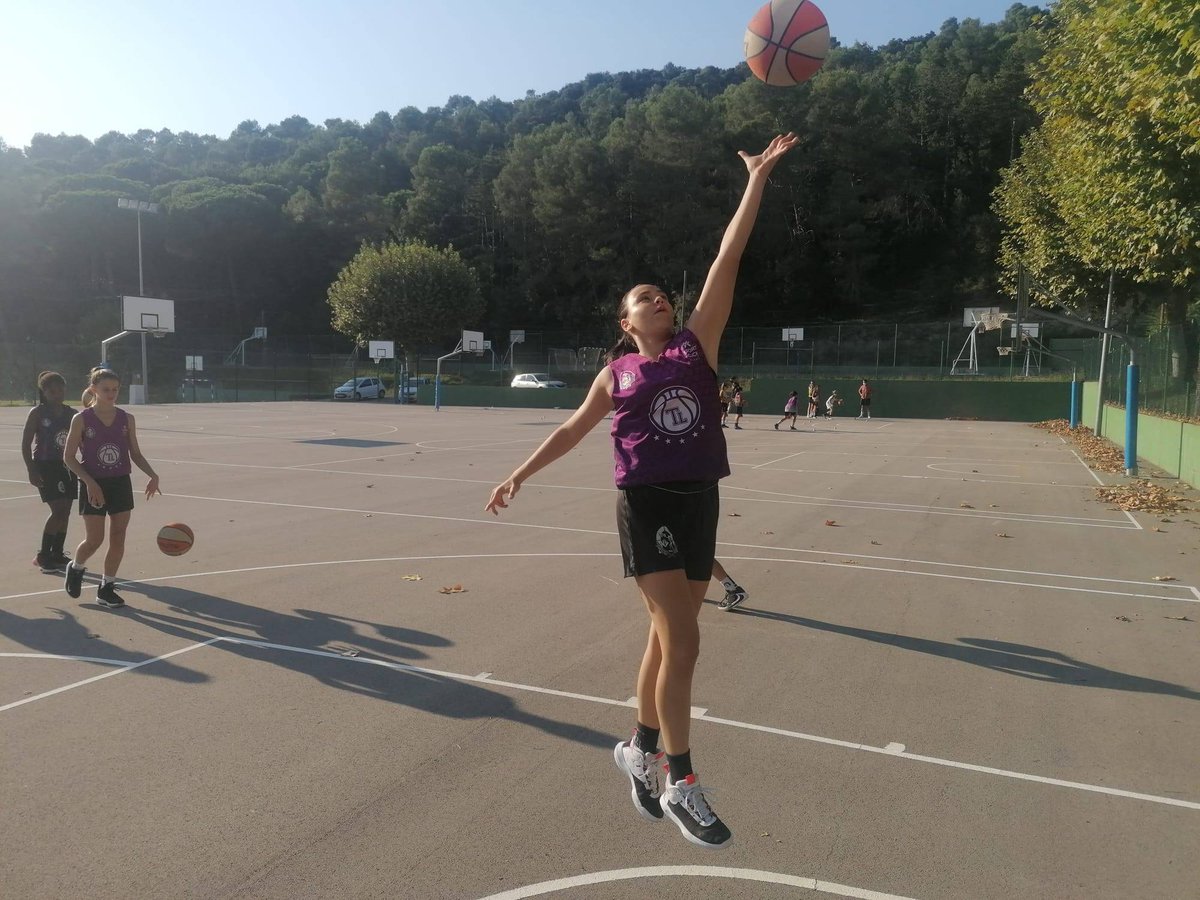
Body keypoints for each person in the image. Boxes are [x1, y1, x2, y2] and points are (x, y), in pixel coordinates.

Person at [485, 133, 798, 849]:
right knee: (684, 640)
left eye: (660, 293)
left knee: (665, 639)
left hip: (700, 500)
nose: (657, 298)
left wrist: (756, 180)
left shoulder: (696, 344)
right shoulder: (616, 374)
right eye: (642, 298)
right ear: (625, 323)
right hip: (646, 504)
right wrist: (518, 474)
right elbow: (570, 430)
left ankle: (637, 747)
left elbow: (727, 258)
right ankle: (680, 780)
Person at [62, 367, 161, 609]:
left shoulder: (127, 419)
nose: (111, 394)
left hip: (120, 482)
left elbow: (135, 453)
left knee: (118, 537)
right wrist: (90, 482)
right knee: (94, 540)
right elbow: (69, 457)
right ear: (93, 389)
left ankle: (106, 588)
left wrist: (152, 474)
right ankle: (76, 567)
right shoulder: (82, 419)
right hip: (93, 482)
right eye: (106, 389)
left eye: (115, 389)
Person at [21, 371, 78, 573]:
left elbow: (82, 439)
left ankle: (57, 552)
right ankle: (43, 555)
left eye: (60, 390)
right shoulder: (38, 413)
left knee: (66, 511)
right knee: (58, 510)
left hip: (67, 465)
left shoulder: (71, 413)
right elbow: (26, 444)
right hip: (46, 465)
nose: (57, 394)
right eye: (52, 391)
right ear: (44, 392)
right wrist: (31, 469)